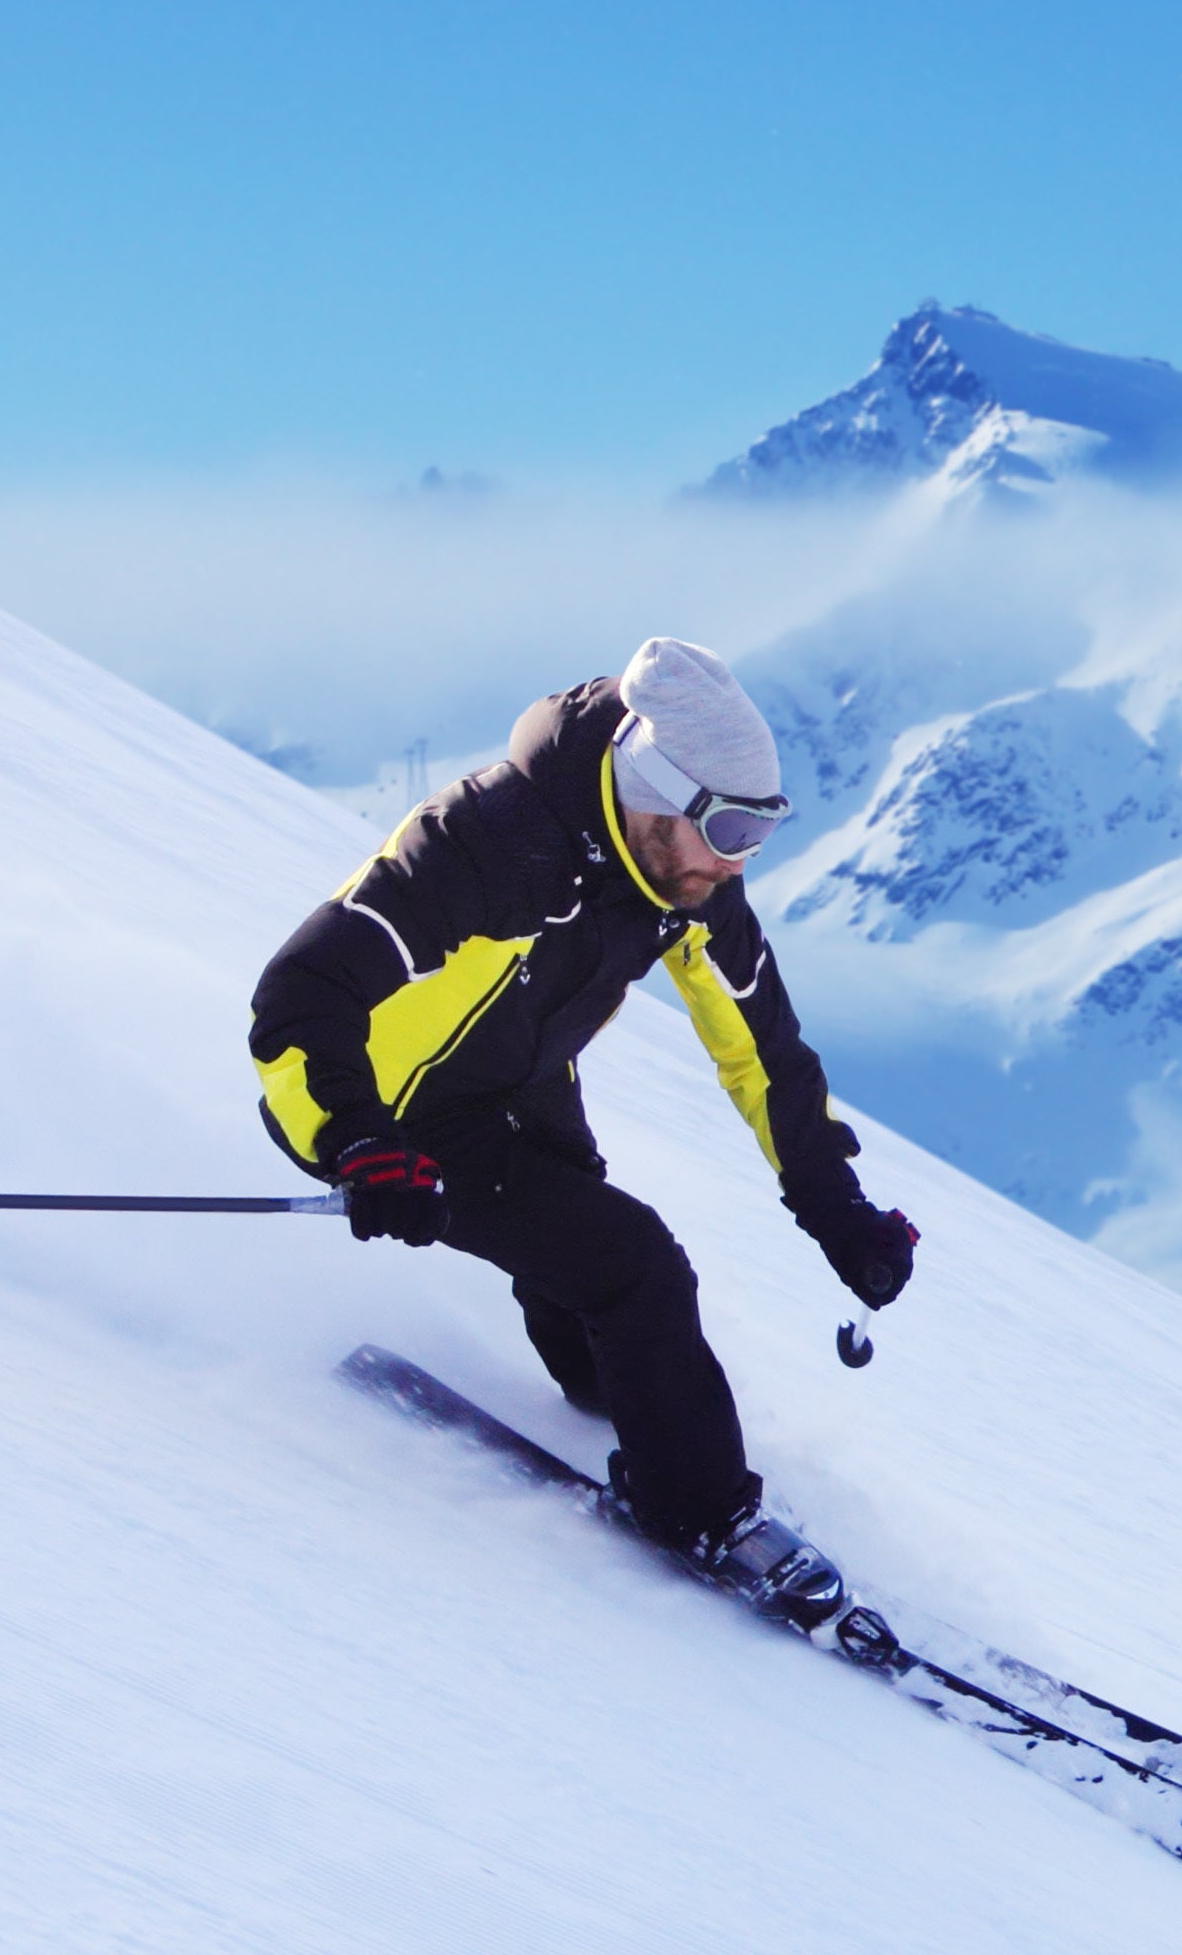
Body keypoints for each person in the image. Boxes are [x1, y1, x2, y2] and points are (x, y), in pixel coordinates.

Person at [249, 636, 916, 1560]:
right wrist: (360, 1142)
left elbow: (761, 1050)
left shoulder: (681, 878)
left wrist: (834, 1206)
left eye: (761, 833)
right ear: (655, 790)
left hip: (516, 1082)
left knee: (588, 1263)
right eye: (729, 833)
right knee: (633, 1264)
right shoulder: (486, 844)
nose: (738, 864)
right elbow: (301, 991)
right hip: (381, 1106)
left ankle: (623, 1413)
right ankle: (701, 1516)